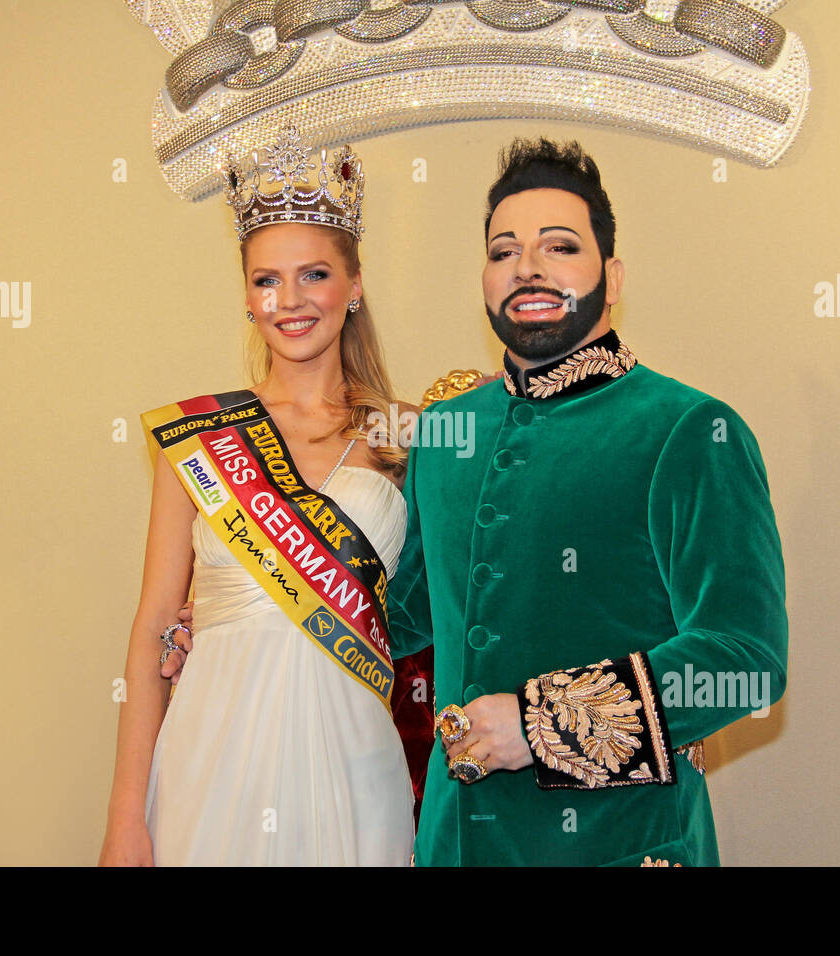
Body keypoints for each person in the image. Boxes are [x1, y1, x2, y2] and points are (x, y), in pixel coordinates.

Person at [384, 137, 789, 866]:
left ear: (613, 273)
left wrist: (540, 725)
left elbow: (747, 658)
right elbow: (398, 618)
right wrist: (239, 618)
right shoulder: (443, 433)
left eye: (559, 246)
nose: (528, 266)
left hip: (622, 844)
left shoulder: (690, 430)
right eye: (503, 250)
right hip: (454, 844)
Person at [98, 125, 423, 865]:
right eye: (266, 279)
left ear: (355, 284)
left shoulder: (410, 438)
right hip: (209, 754)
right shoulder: (200, 437)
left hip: (356, 760)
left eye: (314, 275)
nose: (290, 301)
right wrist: (124, 816)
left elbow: (452, 610)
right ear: (247, 295)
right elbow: (152, 628)